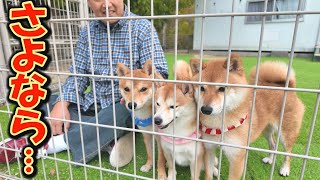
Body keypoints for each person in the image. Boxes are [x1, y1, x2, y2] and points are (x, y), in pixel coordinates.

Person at [0, 0, 168, 167]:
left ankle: (51, 144)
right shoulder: (87, 32)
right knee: (44, 98)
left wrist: (141, 88)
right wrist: (62, 104)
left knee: (119, 115)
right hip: (91, 101)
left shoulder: (142, 27)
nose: (106, 4)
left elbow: (160, 73)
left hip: (125, 104)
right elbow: (77, 75)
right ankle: (106, 139)